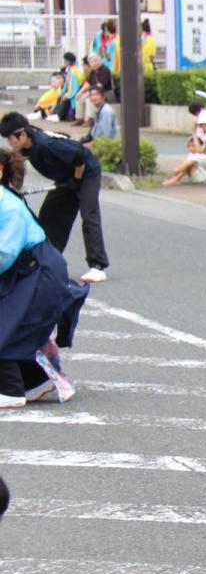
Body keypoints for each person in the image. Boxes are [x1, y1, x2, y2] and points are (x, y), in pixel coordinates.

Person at [0, 148, 88, 408]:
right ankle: (36, 382)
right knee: (16, 327)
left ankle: (11, 391)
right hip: (26, 270)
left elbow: (4, 253)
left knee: (7, 327)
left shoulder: (8, 207)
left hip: (38, 271)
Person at [0, 113, 108, 284]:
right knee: (49, 216)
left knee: (89, 215)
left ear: (22, 135)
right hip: (67, 178)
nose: (9, 143)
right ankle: (47, 260)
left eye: (10, 138)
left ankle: (98, 266)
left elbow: (79, 156)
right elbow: (16, 168)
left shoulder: (45, 144)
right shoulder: (26, 145)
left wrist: (76, 180)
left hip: (86, 173)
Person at [74, 54, 112, 127]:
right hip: (95, 92)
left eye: (96, 61)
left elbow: (100, 86)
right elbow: (88, 83)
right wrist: (80, 92)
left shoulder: (105, 70)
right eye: (91, 62)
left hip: (106, 93)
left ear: (100, 61)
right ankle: (80, 118)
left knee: (90, 97)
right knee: (80, 97)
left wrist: (90, 92)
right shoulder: (92, 72)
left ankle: (91, 119)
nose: (94, 63)